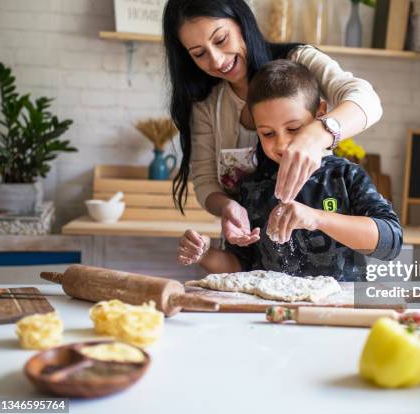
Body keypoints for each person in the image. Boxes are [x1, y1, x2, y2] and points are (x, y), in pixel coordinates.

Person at [163, 0, 382, 247]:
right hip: (247, 251)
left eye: (221, 39)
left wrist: (316, 135)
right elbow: (205, 182)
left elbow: (367, 100)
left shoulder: (299, 61)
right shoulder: (206, 104)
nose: (216, 60)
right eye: (199, 54)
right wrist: (227, 207)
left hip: (321, 248)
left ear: (241, 22)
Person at [177, 60, 402, 281]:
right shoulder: (251, 188)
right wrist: (206, 254)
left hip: (339, 310)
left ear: (321, 113)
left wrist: (316, 219)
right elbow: (241, 267)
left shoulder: (344, 176)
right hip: (271, 314)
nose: (282, 144)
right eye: (267, 133)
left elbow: (390, 242)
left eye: (294, 128)